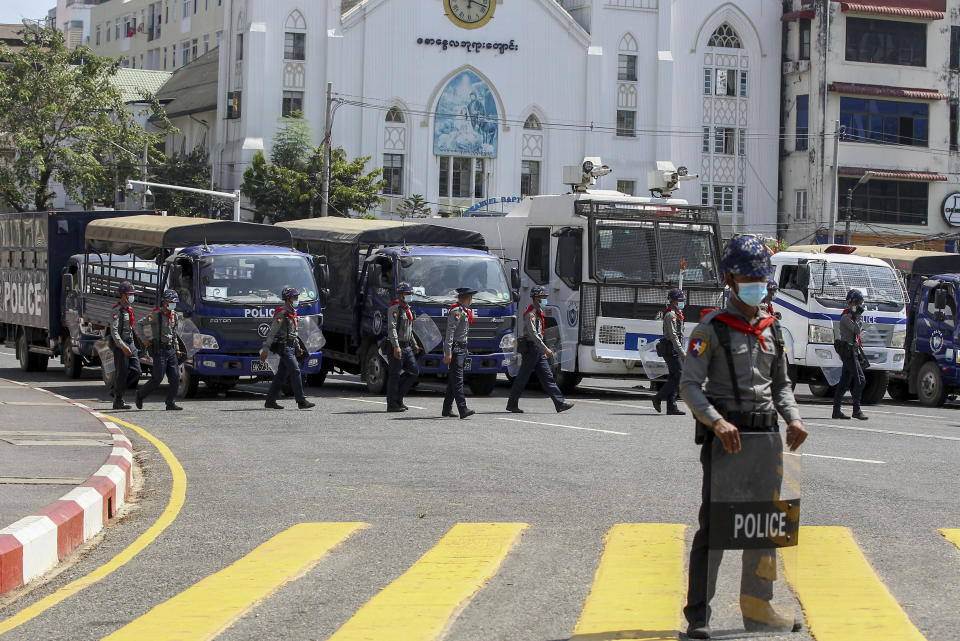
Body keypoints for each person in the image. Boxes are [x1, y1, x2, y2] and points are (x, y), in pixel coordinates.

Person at [679, 235, 808, 639]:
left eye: (761, 277)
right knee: (715, 528)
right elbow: (690, 385)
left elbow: (782, 384)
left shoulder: (774, 329)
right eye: (749, 277)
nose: (757, 284)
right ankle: (699, 616)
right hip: (727, 441)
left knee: (766, 524)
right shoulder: (711, 328)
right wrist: (716, 421)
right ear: (731, 279)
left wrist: (794, 418)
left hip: (766, 438)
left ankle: (758, 608)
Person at [505, 286, 575, 414]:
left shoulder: (538, 312)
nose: (545, 300)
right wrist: (545, 349)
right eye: (543, 297)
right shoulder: (531, 313)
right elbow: (533, 334)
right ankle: (512, 404)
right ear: (536, 298)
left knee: (548, 377)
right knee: (522, 378)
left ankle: (559, 403)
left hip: (537, 350)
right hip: (532, 349)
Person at [259, 286, 315, 410]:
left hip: (290, 347)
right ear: (287, 300)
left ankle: (270, 401)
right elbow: (272, 332)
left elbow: (293, 334)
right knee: (295, 371)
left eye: (297, 297)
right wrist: (265, 349)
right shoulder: (282, 314)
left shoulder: (292, 314)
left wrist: (298, 347)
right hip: (284, 348)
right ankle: (301, 401)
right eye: (295, 298)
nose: (297, 300)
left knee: (280, 375)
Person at [135, 290, 183, 411]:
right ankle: (140, 395)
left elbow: (174, 334)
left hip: (170, 350)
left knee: (175, 377)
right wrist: (144, 338)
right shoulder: (156, 314)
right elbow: (139, 324)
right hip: (159, 350)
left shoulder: (174, 316)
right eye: (171, 302)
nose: (173, 304)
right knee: (157, 378)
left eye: (174, 302)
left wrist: (177, 349)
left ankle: (170, 403)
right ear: (165, 302)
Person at [833, 289, 868, 420]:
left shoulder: (852, 317)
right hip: (848, 352)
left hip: (853, 350)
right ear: (850, 303)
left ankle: (836, 411)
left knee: (844, 382)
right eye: (857, 303)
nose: (859, 305)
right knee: (861, 380)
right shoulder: (846, 317)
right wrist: (859, 316)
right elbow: (857, 330)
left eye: (860, 303)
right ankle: (856, 410)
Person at [442, 287, 476, 419]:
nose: (471, 300)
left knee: (453, 381)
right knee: (458, 380)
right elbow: (450, 332)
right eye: (470, 297)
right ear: (465, 297)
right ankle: (463, 408)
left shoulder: (464, 311)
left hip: (461, 348)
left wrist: (465, 347)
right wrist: (448, 352)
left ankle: (446, 409)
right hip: (456, 350)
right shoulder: (457, 311)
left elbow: (462, 334)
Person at [386, 282, 420, 413]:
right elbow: (392, 328)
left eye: (410, 293)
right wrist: (396, 346)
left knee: (413, 372)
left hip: (407, 346)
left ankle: (399, 398)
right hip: (397, 346)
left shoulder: (408, 308)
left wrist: (414, 343)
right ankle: (392, 404)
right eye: (407, 293)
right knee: (394, 375)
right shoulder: (395, 308)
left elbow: (409, 329)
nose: (410, 296)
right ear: (400, 295)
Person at [653, 288, 686, 416]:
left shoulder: (677, 313)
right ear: (674, 301)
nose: (683, 301)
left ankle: (671, 406)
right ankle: (658, 397)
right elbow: (673, 336)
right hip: (671, 349)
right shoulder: (670, 315)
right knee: (679, 375)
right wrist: (681, 352)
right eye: (680, 299)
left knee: (675, 376)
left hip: (673, 349)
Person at [109, 281, 142, 410]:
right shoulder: (117, 310)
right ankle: (118, 400)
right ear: (123, 295)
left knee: (136, 370)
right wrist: (122, 346)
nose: (132, 296)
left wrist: (134, 344)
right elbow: (114, 331)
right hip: (120, 345)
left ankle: (116, 390)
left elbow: (131, 328)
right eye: (129, 294)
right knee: (122, 373)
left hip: (130, 343)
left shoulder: (129, 309)